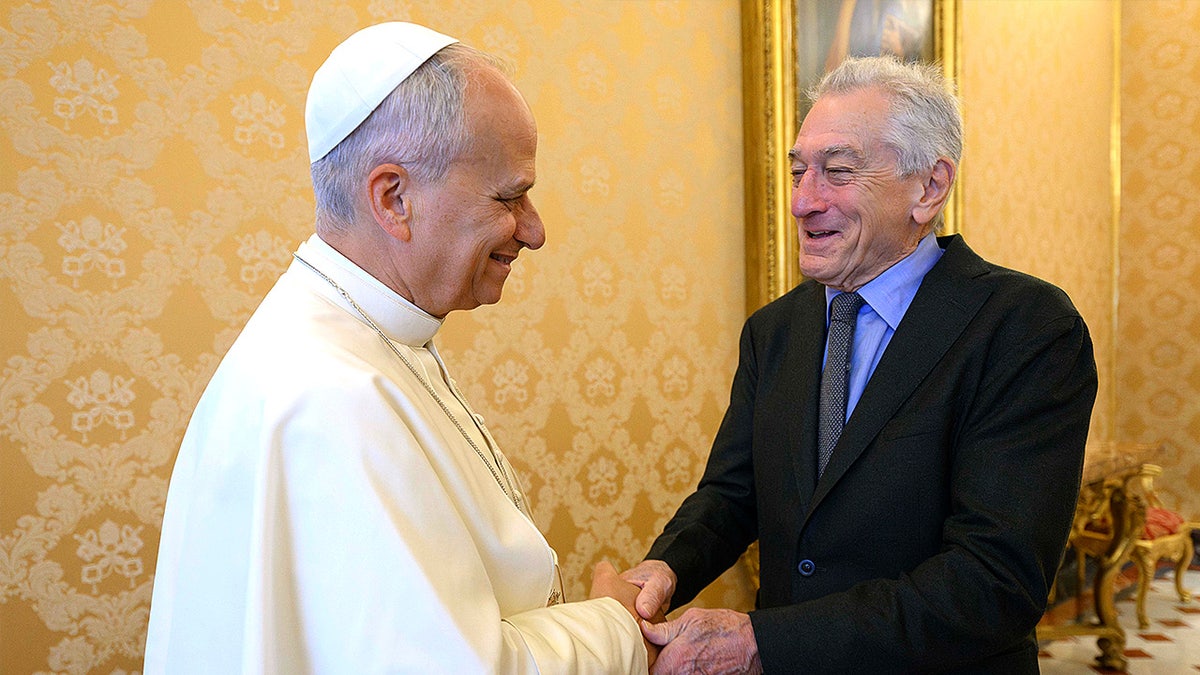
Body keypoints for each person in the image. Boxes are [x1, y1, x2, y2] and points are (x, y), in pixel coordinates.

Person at [144, 22, 653, 673]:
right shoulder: (329, 393)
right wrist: (615, 622)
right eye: (511, 196)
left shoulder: (368, 339)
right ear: (394, 198)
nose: (534, 231)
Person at [621, 55, 1097, 674]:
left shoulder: (1025, 327)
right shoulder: (774, 330)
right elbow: (735, 492)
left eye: (837, 172)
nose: (801, 202)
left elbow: (994, 580)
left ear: (929, 188)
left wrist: (767, 643)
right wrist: (667, 567)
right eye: (797, 172)